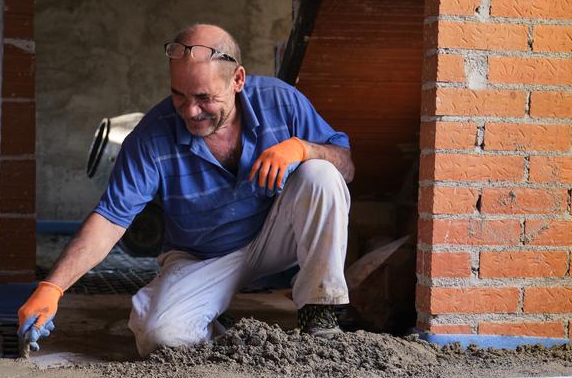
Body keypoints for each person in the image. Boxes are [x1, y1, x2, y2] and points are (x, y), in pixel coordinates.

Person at [18, 24, 354, 357]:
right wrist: (53, 287)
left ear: (237, 80)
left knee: (320, 174)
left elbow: (346, 167)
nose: (190, 111)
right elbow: (110, 219)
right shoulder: (151, 137)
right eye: (179, 95)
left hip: (276, 236)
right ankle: (229, 332)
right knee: (159, 335)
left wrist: (303, 149)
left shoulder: (280, 101)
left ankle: (319, 317)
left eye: (204, 98)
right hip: (201, 256)